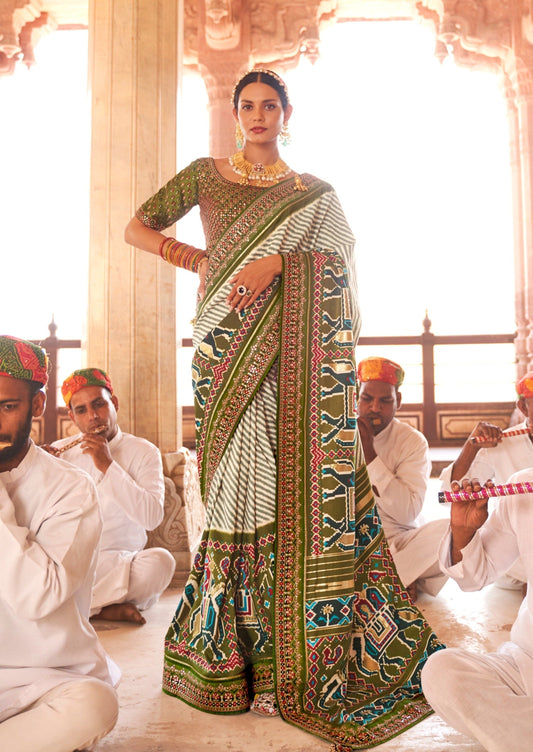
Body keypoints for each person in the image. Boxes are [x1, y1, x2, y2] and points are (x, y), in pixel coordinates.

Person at [124, 68, 443, 749]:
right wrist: (200, 260)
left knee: (281, 496)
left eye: (270, 105)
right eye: (248, 106)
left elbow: (341, 266)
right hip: (221, 347)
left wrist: (276, 266)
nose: (258, 115)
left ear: (286, 112)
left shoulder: (314, 195)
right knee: (232, 491)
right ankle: (224, 654)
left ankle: (279, 662)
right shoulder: (203, 175)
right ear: (235, 115)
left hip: (289, 364)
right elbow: (137, 227)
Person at [0, 335, 120, 752]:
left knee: (93, 706)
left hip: (48, 675)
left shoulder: (71, 488)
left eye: (6, 406)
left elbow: (37, 597)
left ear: (36, 406)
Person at [50, 368, 175, 625]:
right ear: (72, 417)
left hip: (121, 563)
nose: (94, 416)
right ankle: (105, 608)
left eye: (99, 404)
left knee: (161, 563)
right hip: (70, 563)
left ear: (114, 403)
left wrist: (108, 465)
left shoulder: (143, 452)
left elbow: (151, 518)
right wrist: (38, 473)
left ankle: (74, 608)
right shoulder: (60, 453)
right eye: (82, 410)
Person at [421, 466, 533, 752]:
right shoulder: (522, 485)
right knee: (441, 670)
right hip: (526, 663)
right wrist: (463, 530)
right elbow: (475, 577)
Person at [357, 356, 449, 600]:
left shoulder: (412, 442)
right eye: (367, 399)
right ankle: (397, 579)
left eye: (385, 401)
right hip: (350, 543)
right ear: (355, 398)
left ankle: (383, 581)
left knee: (450, 532)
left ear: (398, 401)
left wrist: (370, 456)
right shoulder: (337, 433)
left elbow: (408, 512)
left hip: (399, 540)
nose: (374, 408)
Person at [439, 373, 533, 588]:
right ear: (524, 407)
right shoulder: (502, 445)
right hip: (514, 558)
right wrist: (471, 447)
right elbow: (448, 496)